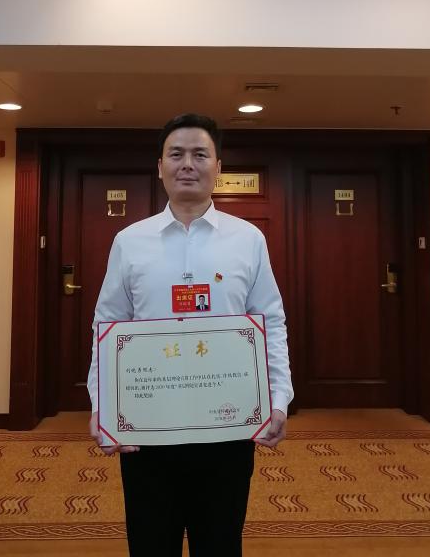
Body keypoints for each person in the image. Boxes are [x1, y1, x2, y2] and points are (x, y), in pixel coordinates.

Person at [88, 113, 293, 557]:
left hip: (228, 429)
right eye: (176, 154)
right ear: (159, 166)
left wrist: (278, 400)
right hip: (147, 430)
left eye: (200, 155)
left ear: (218, 167)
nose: (187, 164)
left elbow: (270, 322)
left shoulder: (248, 239)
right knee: (151, 545)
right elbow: (107, 327)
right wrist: (103, 408)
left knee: (219, 543)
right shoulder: (129, 241)